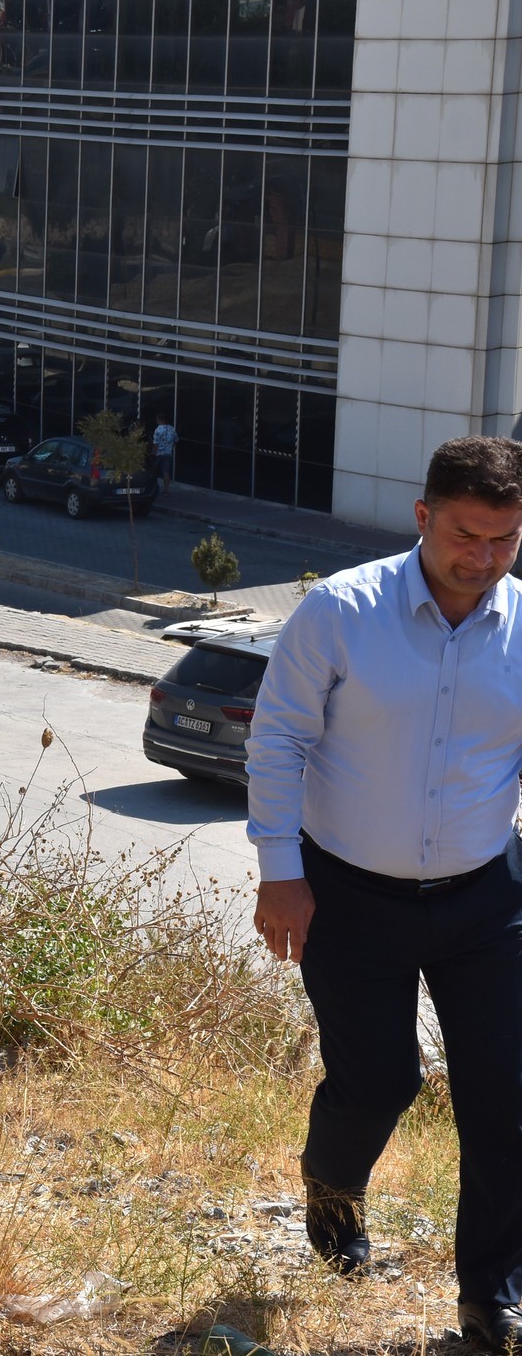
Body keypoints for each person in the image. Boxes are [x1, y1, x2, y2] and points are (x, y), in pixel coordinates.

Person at [247, 436, 522, 1350]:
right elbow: (278, 739)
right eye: (466, 535)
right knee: (377, 1081)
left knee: (505, 1094)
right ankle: (332, 1192)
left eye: (505, 540)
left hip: (488, 896)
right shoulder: (342, 611)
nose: (482, 559)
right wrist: (279, 872)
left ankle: (491, 1291)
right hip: (348, 895)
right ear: (423, 517)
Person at [152, 412, 178, 484]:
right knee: (166, 472)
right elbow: (176, 440)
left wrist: (153, 453)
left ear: (159, 419)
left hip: (159, 454)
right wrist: (171, 446)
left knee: (153, 470)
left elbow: (155, 443)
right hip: (168, 454)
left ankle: (153, 486)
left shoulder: (158, 430)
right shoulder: (172, 429)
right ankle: (166, 491)